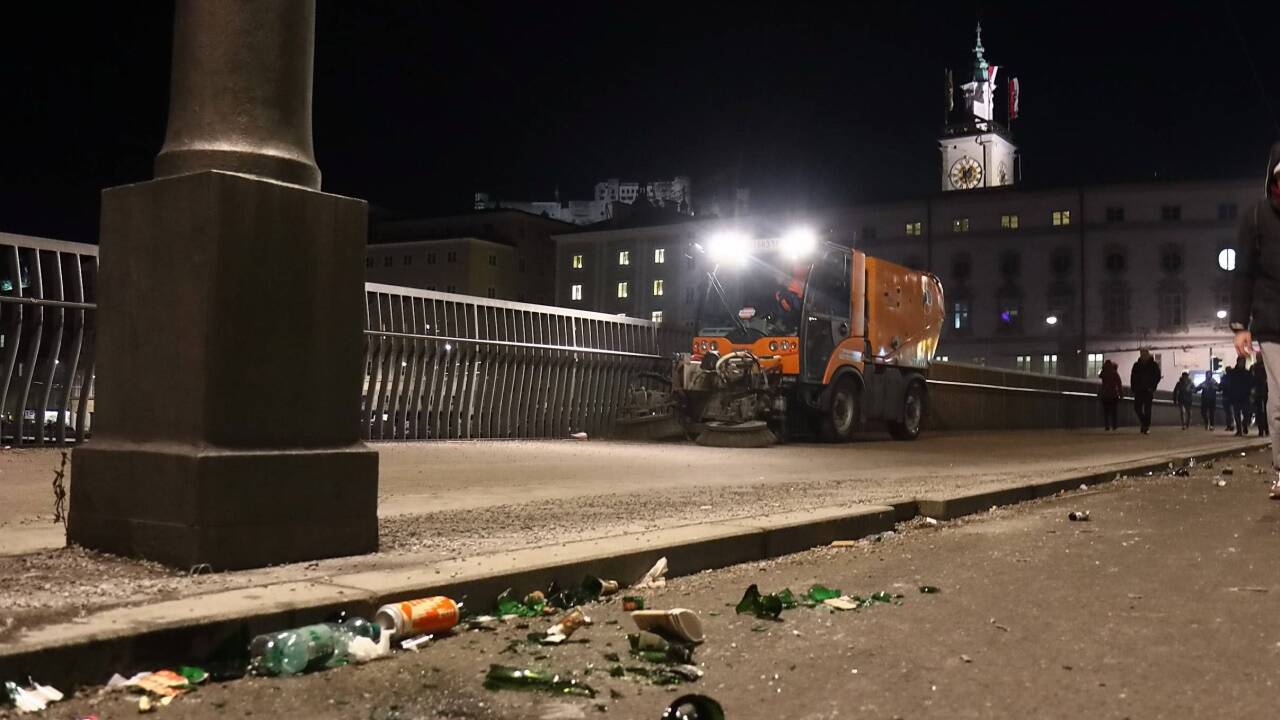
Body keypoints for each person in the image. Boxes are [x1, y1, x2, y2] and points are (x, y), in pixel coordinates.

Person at [1229, 141, 1280, 499]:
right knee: (1279, 402)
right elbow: (1243, 272)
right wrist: (1240, 325)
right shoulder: (1256, 216)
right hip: (1273, 321)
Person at [1129, 349, 1161, 434]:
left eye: (1143, 353)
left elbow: (1157, 376)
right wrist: (1133, 387)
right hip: (1139, 389)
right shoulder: (1136, 365)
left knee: (1147, 409)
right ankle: (1145, 423)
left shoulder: (1153, 365)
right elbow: (1133, 377)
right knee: (1137, 408)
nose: (1142, 355)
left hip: (1148, 390)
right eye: (1141, 354)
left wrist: (1152, 387)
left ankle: (1146, 426)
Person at [1226, 357, 1254, 436]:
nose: (1242, 364)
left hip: (1245, 396)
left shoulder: (1247, 373)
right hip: (1236, 396)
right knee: (1237, 414)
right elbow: (1230, 384)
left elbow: (1251, 383)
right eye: (1241, 362)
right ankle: (1239, 430)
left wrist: (1250, 393)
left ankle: (1244, 425)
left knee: (1247, 414)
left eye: (1243, 362)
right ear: (1238, 362)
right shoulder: (1233, 373)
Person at [1098, 359, 1122, 430]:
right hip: (1114, 394)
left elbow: (1099, 375)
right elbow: (1119, 384)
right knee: (1114, 411)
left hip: (1105, 394)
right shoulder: (1115, 373)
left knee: (1106, 411)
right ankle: (1114, 425)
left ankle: (1107, 426)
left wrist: (1102, 368)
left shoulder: (1104, 373)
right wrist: (1121, 394)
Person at [1253, 358, 1270, 436]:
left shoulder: (1256, 367)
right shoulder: (1265, 366)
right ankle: (1263, 429)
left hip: (1263, 391)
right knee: (1261, 411)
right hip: (1262, 391)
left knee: (1264, 411)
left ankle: (1264, 429)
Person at [1220, 366, 1236, 432]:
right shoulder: (1233, 377)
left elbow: (1221, 386)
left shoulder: (1224, 378)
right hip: (1231, 396)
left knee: (1228, 412)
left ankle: (1229, 425)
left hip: (1226, 396)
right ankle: (1231, 425)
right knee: (1231, 412)